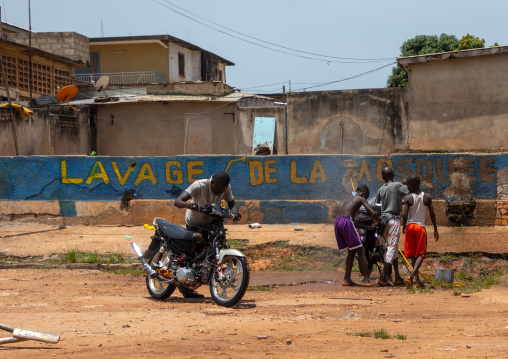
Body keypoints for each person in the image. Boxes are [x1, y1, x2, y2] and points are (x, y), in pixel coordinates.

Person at [144, 171, 241, 299]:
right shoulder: (199, 185)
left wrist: (235, 212)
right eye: (217, 190)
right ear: (212, 182)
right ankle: (185, 288)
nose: (219, 193)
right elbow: (178, 201)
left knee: (210, 252)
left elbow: (232, 204)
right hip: (195, 223)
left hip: (213, 223)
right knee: (193, 254)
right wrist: (190, 205)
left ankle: (199, 279)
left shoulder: (225, 187)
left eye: (221, 191)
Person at [335, 184, 382, 286]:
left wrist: (367, 227)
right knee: (361, 250)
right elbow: (372, 213)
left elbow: (351, 221)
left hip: (339, 222)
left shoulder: (349, 200)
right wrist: (379, 219)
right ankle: (366, 279)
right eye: (367, 196)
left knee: (352, 251)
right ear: (364, 193)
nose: (366, 198)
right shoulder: (361, 199)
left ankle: (346, 279)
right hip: (346, 222)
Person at [402, 175, 439, 288]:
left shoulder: (408, 198)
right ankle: (412, 276)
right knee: (421, 254)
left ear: (413, 185)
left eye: (408, 185)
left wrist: (403, 227)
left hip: (410, 227)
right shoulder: (427, 197)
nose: (407, 187)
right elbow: (432, 214)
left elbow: (405, 215)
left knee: (414, 255)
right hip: (419, 228)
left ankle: (417, 281)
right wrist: (435, 229)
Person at [375, 167, 409, 286]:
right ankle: (383, 276)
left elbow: (377, 202)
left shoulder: (381, 189)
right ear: (393, 174)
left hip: (384, 221)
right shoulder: (396, 185)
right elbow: (409, 191)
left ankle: (398, 277)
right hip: (394, 219)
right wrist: (404, 182)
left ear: (383, 177)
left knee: (392, 247)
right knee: (391, 248)